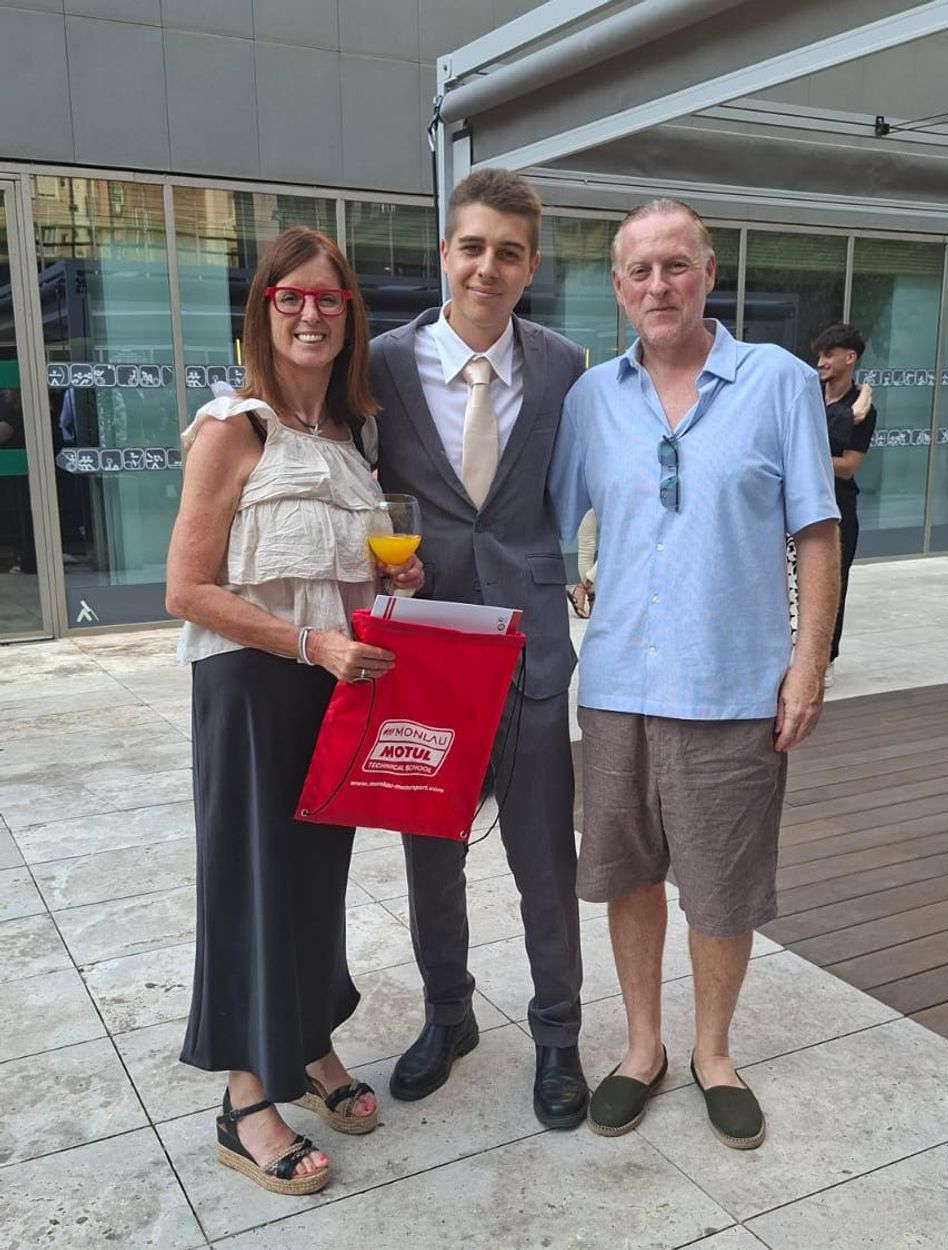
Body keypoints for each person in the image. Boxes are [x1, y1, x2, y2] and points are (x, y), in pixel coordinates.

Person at [548, 199, 840, 1149]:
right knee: (629, 876)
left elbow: (816, 533)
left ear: (709, 271)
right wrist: (571, 584)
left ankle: (713, 1054)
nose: (658, 285)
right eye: (639, 271)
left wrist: (807, 667)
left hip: (732, 684)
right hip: (621, 684)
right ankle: (643, 1050)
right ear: (619, 287)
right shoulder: (592, 399)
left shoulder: (779, 382)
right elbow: (549, 525)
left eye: (676, 266)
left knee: (720, 885)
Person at [165, 226, 422, 1195]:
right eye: (290, 297)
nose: (310, 313)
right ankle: (242, 1099)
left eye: (328, 298)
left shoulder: (352, 436)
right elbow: (186, 588)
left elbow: (336, 572)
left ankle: (309, 1044)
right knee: (250, 882)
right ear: (264, 309)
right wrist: (313, 642)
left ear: (348, 316)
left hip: (335, 684)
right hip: (252, 684)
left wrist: (393, 586)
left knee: (318, 875)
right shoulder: (234, 427)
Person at [369, 168, 589, 1129]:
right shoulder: (379, 365)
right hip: (427, 650)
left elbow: (581, 488)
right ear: (445, 252)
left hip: (531, 647)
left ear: (529, 265)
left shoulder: (564, 363)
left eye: (509, 251)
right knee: (431, 855)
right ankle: (447, 1015)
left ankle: (558, 1037)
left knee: (546, 859)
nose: (488, 266)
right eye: (473, 246)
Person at [813, 323, 877, 684]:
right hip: (795, 505)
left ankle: (827, 658)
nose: (820, 362)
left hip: (837, 507)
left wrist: (801, 457)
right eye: (819, 355)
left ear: (849, 358)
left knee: (833, 581)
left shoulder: (864, 408)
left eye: (828, 355)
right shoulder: (807, 394)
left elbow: (848, 467)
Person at [567, 509, 598, 618]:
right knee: (618, 543)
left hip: (586, 494)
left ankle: (584, 591)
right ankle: (589, 593)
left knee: (586, 545)